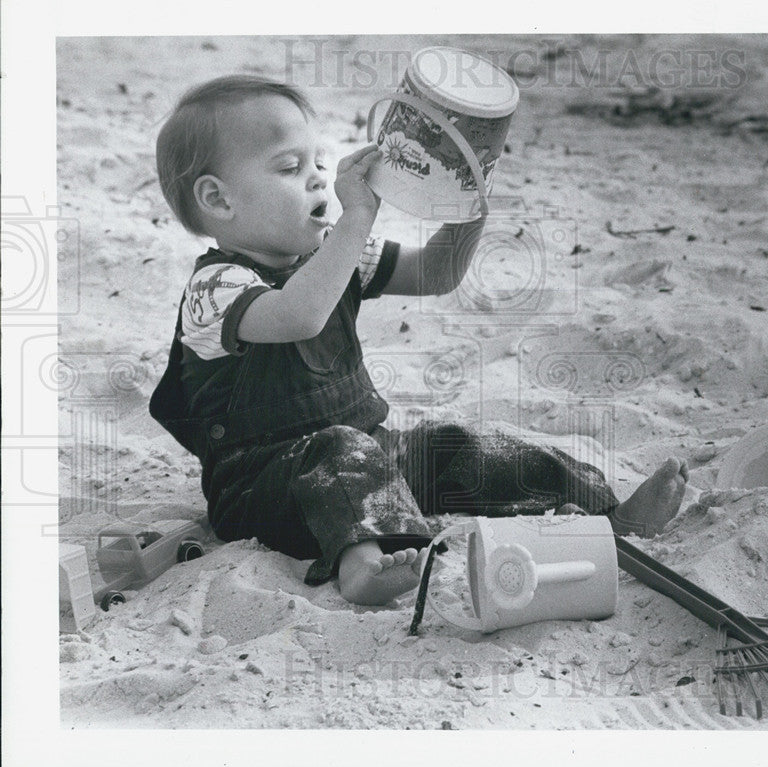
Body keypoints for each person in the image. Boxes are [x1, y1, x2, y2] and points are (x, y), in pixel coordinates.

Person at [150, 75, 688, 606]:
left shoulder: (334, 254)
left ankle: (606, 512)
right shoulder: (216, 287)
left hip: (368, 457)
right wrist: (357, 216)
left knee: (458, 447)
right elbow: (300, 315)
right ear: (219, 201)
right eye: (290, 169)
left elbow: (435, 272)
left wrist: (468, 205)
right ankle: (362, 564)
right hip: (261, 488)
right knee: (341, 450)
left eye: (318, 161)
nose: (318, 179)